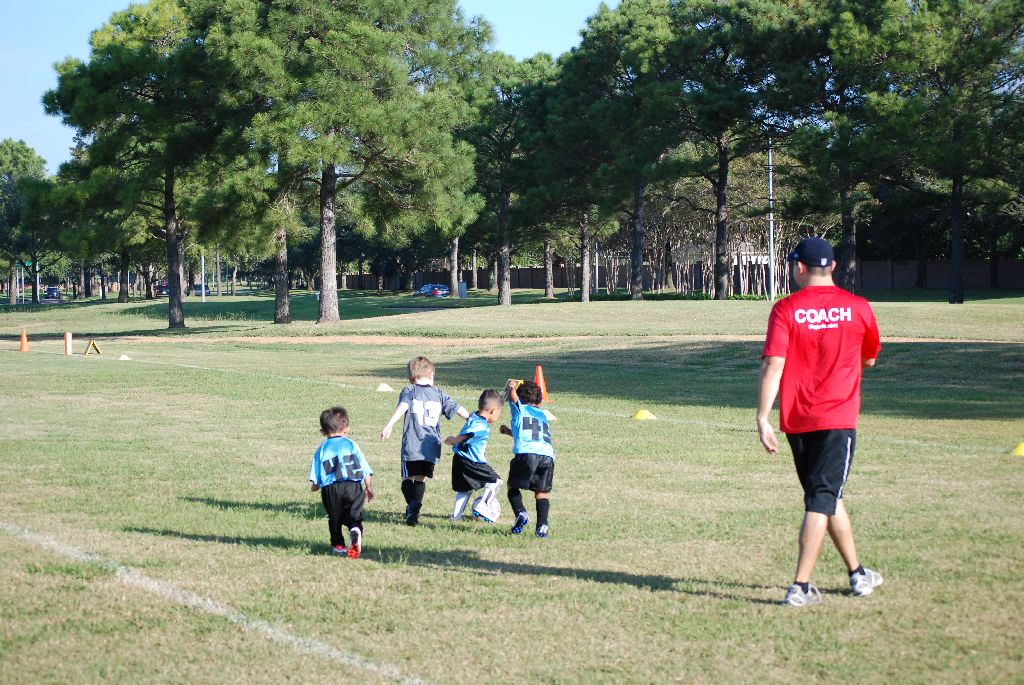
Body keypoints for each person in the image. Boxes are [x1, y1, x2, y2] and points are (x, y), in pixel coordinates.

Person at [756, 236, 884, 606]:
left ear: (799, 267)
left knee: (825, 496)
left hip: (798, 419)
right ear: (833, 267)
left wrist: (763, 416)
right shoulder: (858, 307)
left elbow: (773, 365)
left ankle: (857, 574)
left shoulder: (785, 309)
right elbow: (870, 359)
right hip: (837, 419)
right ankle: (800, 586)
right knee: (822, 498)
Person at [381, 356, 470, 526]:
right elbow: (458, 409)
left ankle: (413, 506)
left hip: (413, 444)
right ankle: (413, 513)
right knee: (421, 479)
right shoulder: (439, 393)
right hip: (431, 445)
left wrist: (389, 424)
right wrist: (473, 418)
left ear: (411, 377)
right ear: (431, 374)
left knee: (407, 479)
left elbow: (403, 406)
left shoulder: (409, 390)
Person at [309, 407, 374, 559]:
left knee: (335, 518)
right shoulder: (351, 445)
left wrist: (315, 487)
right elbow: (365, 469)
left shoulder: (322, 449)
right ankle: (355, 530)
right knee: (354, 516)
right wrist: (369, 487)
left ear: (322, 431)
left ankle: (338, 546)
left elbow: (315, 480)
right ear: (346, 428)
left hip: (331, 489)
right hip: (353, 486)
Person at [501, 380, 554, 538]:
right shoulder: (542, 415)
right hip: (547, 455)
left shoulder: (520, 409)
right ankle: (542, 525)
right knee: (541, 493)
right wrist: (509, 432)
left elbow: (513, 399)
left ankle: (521, 513)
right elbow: (529, 432)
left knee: (512, 486)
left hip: (527, 454)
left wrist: (512, 388)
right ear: (539, 401)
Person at [444, 389, 505, 522]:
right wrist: (456, 439)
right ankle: (483, 506)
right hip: (472, 461)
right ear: (493, 411)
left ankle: (456, 516)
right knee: (496, 481)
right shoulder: (481, 425)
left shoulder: (474, 416)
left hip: (459, 459)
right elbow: (470, 433)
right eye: (499, 413)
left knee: (464, 489)